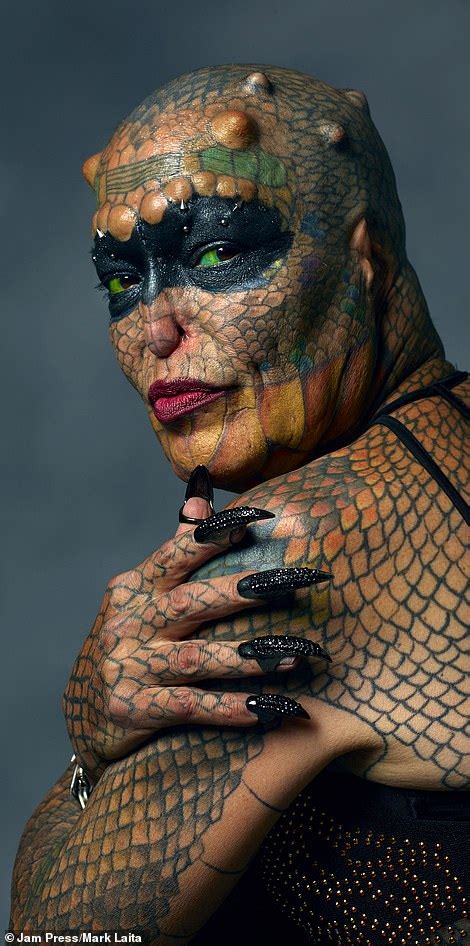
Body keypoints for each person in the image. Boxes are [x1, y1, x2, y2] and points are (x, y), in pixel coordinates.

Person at [10, 64, 469, 946]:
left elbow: (55, 934)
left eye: (218, 254)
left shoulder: (298, 545)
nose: (155, 328)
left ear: (365, 259)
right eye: (122, 279)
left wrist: (92, 737)